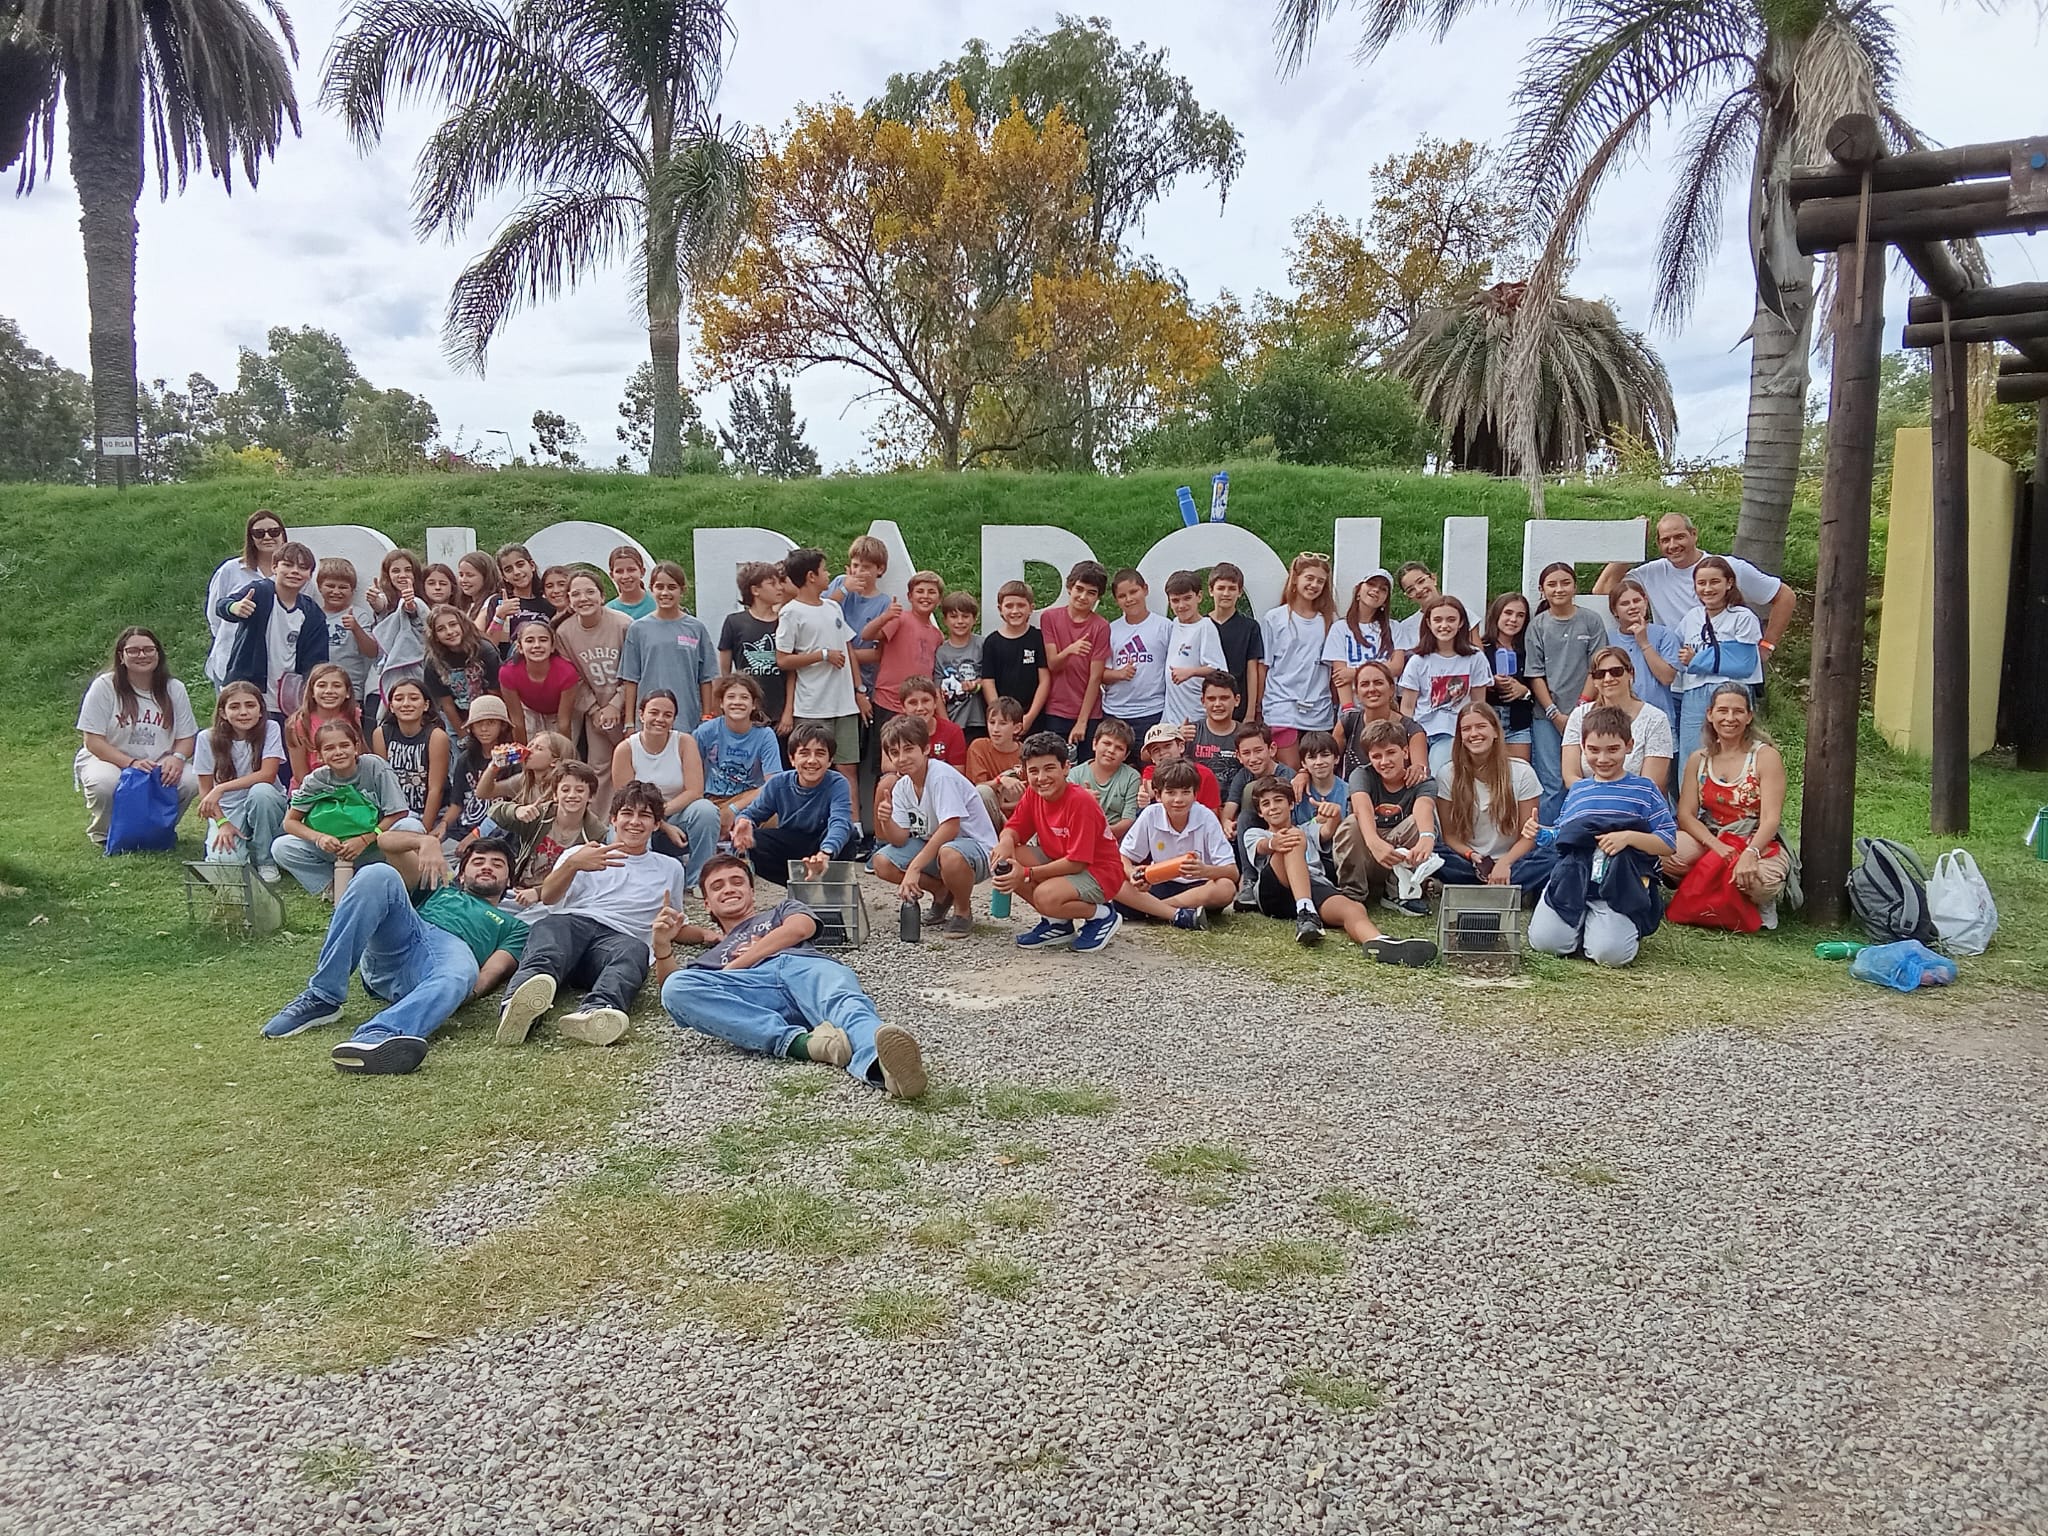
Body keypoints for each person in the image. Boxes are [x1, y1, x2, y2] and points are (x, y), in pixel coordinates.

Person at [658, 854, 928, 1097]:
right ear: (707, 904)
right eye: (718, 886)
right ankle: (805, 1045)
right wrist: (661, 947)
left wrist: (736, 965)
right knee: (676, 987)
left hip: (804, 966)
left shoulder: (782, 910)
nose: (729, 889)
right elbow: (674, 996)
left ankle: (884, 1069)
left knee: (845, 1005)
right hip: (756, 992)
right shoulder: (710, 956)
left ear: (752, 892)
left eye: (737, 881)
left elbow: (800, 928)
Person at [259, 836, 528, 1075]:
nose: (487, 867)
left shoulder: (514, 925)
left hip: (447, 959)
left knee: (462, 971)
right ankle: (323, 996)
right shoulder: (439, 889)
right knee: (377, 873)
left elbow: (491, 972)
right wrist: (426, 842)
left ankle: (379, 1035)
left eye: (497, 864)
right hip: (404, 939)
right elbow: (386, 841)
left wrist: (457, 991)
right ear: (461, 874)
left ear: (509, 880)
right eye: (478, 861)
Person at [497, 780, 692, 1047]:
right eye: (627, 813)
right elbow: (550, 897)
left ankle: (598, 1013)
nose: (634, 822)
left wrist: (705, 934)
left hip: (618, 941)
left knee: (635, 951)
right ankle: (518, 1006)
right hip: (573, 928)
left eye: (644, 816)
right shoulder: (580, 852)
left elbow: (675, 922)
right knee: (551, 928)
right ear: (613, 819)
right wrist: (573, 866)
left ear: (656, 824)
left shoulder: (670, 868)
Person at [1529, 706, 1676, 968]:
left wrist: (1628, 838)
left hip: (1620, 882)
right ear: (1583, 749)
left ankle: (1608, 925)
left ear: (1629, 746)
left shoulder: (1645, 789)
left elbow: (1667, 842)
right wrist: (1541, 833)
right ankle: (1580, 922)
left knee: (1611, 956)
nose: (1603, 759)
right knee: (1546, 943)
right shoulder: (1579, 790)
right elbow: (1563, 833)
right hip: (1574, 878)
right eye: (1594, 750)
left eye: (1613, 749)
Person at [1239, 774, 1437, 963]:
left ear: (1291, 804)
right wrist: (1274, 844)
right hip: (1274, 890)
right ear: (1260, 812)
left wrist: (1333, 815)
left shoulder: (1307, 829)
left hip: (1312, 884)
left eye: (1278, 800)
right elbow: (1261, 846)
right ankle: (1305, 912)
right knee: (1292, 837)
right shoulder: (1254, 833)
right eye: (1266, 804)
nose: (1273, 807)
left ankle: (1378, 942)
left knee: (1353, 908)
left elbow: (1327, 831)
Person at [1662, 682, 1792, 924]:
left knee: (1759, 878)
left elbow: (1770, 819)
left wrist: (1751, 852)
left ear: (1749, 716)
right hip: (1713, 834)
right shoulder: (1698, 759)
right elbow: (1686, 815)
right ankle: (1707, 889)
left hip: (1756, 838)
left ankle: (1758, 900)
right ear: (1710, 714)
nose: (1729, 718)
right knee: (1663, 852)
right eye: (1722, 711)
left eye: (1738, 711)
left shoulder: (1765, 757)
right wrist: (1715, 845)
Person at [990, 732, 1128, 953]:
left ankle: (1101, 915)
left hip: (1100, 872)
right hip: (1063, 861)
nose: (1041, 777)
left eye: (1049, 768)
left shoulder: (1080, 802)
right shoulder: (1034, 794)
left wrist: (1026, 874)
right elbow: (1015, 828)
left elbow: (1077, 863)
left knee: (1044, 895)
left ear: (1066, 768)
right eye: (1033, 771)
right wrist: (1005, 841)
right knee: (1007, 858)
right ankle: (1058, 924)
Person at [1594, 511, 1794, 656]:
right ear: (1658, 544)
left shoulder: (1728, 567)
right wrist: (1631, 541)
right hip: (1674, 675)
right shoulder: (1651, 573)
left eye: (1679, 537)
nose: (1673, 545)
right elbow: (1603, 590)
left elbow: (1784, 596)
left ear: (1694, 534)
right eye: (1666, 540)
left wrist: (1767, 646)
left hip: (1726, 674)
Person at [871, 713, 998, 938]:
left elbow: (950, 827)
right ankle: (942, 892)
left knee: (949, 853)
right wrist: (886, 819)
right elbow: (899, 838)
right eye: (895, 752)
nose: (902, 758)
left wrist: (914, 868)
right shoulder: (902, 787)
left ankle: (963, 911)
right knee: (881, 861)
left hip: (975, 849)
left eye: (909, 749)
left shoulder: (940, 776)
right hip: (937, 846)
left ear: (926, 749)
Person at [75, 626, 199, 845]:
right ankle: (105, 833)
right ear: (121, 656)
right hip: (110, 757)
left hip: (158, 759)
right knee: (105, 783)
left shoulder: (174, 688)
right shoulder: (105, 686)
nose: (142, 655)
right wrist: (130, 762)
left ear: (158, 654)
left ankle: (158, 829)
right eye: (133, 650)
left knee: (189, 781)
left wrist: (177, 758)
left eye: (149, 649)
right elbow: (93, 740)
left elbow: (187, 737)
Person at [273, 720, 423, 898]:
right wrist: (319, 838)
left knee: (410, 826)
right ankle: (336, 888)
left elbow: (398, 812)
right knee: (281, 847)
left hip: (377, 844)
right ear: (319, 755)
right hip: (337, 849)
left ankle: (406, 886)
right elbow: (290, 822)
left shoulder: (374, 766)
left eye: (344, 745)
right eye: (329, 748)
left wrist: (364, 840)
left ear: (356, 747)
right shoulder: (315, 780)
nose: (338, 753)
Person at [775, 547, 867, 804]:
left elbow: (848, 648)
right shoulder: (790, 612)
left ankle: (854, 829)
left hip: (845, 705)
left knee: (848, 768)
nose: (829, 575)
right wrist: (822, 655)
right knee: (812, 769)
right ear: (811, 576)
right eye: (825, 570)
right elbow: (782, 659)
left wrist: (860, 692)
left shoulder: (832, 607)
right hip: (813, 707)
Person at [1433, 702, 1553, 895]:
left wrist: (1504, 863)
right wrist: (1472, 855)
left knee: (1551, 856)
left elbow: (1528, 836)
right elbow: (1449, 836)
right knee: (1434, 853)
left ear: (1496, 732)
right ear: (1460, 737)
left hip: (1512, 860)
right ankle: (1504, 888)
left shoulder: (1522, 772)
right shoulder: (1447, 774)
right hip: (1470, 860)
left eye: (1481, 726)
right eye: (1466, 729)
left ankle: (1477, 887)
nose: (1474, 734)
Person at [610, 688, 723, 889]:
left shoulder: (684, 742)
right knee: (625, 827)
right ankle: (641, 882)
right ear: (641, 714)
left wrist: (659, 816)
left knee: (706, 810)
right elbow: (625, 801)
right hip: (639, 814)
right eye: (654, 712)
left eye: (667, 715)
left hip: (677, 812)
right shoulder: (626, 749)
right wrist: (660, 823)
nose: (660, 719)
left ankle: (698, 880)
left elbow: (694, 790)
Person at [1525, 562, 1610, 824]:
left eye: (1565, 583)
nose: (1559, 589)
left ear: (1575, 586)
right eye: (1552, 584)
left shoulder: (1591, 621)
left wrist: (1579, 709)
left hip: (1586, 714)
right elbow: (1535, 674)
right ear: (1542, 590)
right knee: (1551, 780)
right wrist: (1554, 713)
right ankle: (1548, 841)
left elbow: (1596, 669)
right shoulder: (1537, 626)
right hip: (1547, 718)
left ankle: (1581, 831)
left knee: (1585, 775)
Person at [214, 540, 329, 721]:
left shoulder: (312, 612)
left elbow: (316, 661)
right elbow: (222, 605)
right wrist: (234, 608)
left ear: (309, 575)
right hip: (248, 692)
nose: (295, 572)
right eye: (288, 565)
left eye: (302, 567)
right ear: (275, 567)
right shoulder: (260, 591)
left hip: (287, 699)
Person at [1115, 760, 1237, 929]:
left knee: (1226, 887)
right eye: (1171, 793)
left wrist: (1205, 870)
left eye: (1185, 792)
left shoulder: (1206, 817)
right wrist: (1132, 874)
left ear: (1195, 795)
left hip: (1198, 888)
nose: (1178, 800)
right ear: (1158, 795)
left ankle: (1156, 910)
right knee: (1114, 879)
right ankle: (1177, 914)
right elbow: (1123, 856)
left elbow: (1232, 872)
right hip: (1159, 883)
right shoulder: (1151, 814)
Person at [732, 721, 856, 886]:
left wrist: (826, 852)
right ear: (792, 758)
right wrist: (744, 822)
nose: (812, 761)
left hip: (824, 843)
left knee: (848, 835)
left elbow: (840, 820)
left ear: (830, 760)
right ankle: (797, 884)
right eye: (804, 753)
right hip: (792, 841)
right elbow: (753, 813)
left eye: (820, 753)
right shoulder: (778, 783)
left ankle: (829, 884)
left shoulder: (837, 783)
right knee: (753, 840)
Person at [1335, 718, 1438, 914]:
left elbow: (1423, 807)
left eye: (1391, 753)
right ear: (1369, 758)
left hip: (1400, 856)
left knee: (1425, 823)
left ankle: (1398, 892)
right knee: (1351, 824)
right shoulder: (1362, 774)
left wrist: (1427, 836)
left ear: (1405, 752)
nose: (1384, 762)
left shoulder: (1422, 782)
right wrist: (1374, 841)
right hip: (1367, 852)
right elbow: (1361, 807)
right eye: (1376, 756)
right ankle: (1353, 893)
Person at [1672, 556, 1765, 756]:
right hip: (1693, 693)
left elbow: (1743, 663)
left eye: (1714, 582)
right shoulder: (1692, 617)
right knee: (1692, 757)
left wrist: (1697, 660)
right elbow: (1677, 650)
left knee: (1731, 752)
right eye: (1701, 583)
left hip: (1732, 691)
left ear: (1729, 583)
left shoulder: (1743, 617)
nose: (1708, 589)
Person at [194, 680, 286, 878]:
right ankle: (240, 848)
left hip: (266, 803)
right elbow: (205, 790)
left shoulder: (271, 728)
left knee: (261, 792)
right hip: (228, 808)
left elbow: (267, 775)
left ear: (261, 710)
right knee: (226, 867)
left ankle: (265, 859)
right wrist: (221, 823)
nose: (243, 712)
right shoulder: (206, 738)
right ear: (223, 713)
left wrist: (220, 788)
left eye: (250, 705)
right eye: (234, 707)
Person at [556, 570, 632, 803]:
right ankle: (600, 823)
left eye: (590, 592)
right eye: (576, 594)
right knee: (599, 767)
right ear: (569, 600)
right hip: (594, 711)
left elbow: (634, 670)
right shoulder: (564, 633)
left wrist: (616, 705)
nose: (584, 598)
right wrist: (595, 710)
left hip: (628, 706)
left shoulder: (624, 624)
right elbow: (572, 679)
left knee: (632, 761)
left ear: (602, 595)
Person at [490, 759, 608, 908]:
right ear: (555, 795)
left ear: (591, 796)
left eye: (580, 790)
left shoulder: (595, 833)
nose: (572, 795)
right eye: (565, 790)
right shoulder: (541, 816)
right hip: (517, 890)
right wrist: (516, 811)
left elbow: (583, 880)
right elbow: (494, 811)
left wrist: (538, 892)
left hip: (559, 899)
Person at [1398, 595, 1492, 779]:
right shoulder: (1418, 661)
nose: (1444, 625)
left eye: (1451, 619)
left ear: (1461, 623)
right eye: (1438, 620)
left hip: (1454, 732)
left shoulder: (1475, 658)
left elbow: (1479, 704)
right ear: (1428, 623)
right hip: (1420, 732)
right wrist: (1407, 739)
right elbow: (1408, 707)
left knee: (1439, 775)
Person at [1259, 552, 1338, 766]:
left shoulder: (1330, 621)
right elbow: (1263, 667)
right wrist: (1257, 708)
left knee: (1318, 772)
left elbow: (1333, 671)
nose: (1314, 585)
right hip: (1281, 708)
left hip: (1319, 711)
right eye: (1309, 578)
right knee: (1289, 775)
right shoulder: (1274, 618)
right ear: (1295, 578)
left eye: (1320, 581)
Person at [1562, 647, 1675, 791]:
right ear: (1594, 680)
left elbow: (1652, 783)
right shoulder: (1579, 716)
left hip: (1637, 805)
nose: (1608, 679)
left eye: (1616, 672)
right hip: (1588, 802)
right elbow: (1570, 777)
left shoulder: (1656, 719)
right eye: (1600, 674)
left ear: (1631, 673)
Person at [618, 560, 717, 725]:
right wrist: (629, 722)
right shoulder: (638, 629)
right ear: (651, 589)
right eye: (659, 587)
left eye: (671, 587)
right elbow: (630, 679)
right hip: (649, 720)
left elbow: (706, 678)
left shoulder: (696, 628)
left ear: (682, 590)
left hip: (687, 719)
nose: (665, 593)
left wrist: (706, 717)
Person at [717, 561, 792, 755]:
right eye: (772, 583)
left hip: (779, 712)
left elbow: (792, 671)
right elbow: (723, 672)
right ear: (755, 590)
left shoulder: (785, 621)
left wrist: (787, 713)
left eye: (780, 582)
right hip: (746, 711)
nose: (779, 588)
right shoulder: (734, 622)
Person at [696, 673, 784, 834]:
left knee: (775, 815)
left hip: (751, 799)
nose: (737, 702)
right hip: (713, 799)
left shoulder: (765, 735)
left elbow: (774, 784)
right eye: (731, 697)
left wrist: (734, 809)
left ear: (754, 704)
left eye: (744, 697)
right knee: (703, 815)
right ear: (721, 703)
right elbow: (691, 775)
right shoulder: (705, 732)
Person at [1038, 560, 1111, 754]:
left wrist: (1082, 721)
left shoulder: (1100, 626)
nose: (1083, 596)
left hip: (1089, 712)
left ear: (1098, 597)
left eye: (1091, 592)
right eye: (1079, 589)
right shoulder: (1050, 618)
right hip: (1057, 709)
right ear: (1069, 587)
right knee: (1055, 764)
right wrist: (1070, 650)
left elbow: (1096, 676)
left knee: (1086, 768)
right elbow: (1053, 664)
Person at [204, 510, 289, 676]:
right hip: (231, 659)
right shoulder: (230, 569)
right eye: (259, 533)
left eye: (274, 531)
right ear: (251, 538)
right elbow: (214, 613)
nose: (267, 537)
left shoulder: (294, 573)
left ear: (283, 534)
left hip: (276, 662)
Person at [372, 678, 449, 836]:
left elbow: (436, 789)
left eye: (414, 698)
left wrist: (424, 832)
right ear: (391, 707)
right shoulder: (381, 734)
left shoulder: (436, 736)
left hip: (427, 815)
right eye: (399, 699)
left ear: (426, 705)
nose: (406, 704)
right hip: (394, 814)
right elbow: (382, 784)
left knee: (411, 828)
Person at [1605, 576, 1682, 730]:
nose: (1632, 607)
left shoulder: (1664, 635)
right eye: (1624, 604)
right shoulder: (1607, 638)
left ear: (1645, 602)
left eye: (1637, 601)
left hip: (1658, 717)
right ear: (1615, 610)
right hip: (1617, 720)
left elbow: (1667, 678)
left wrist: (1644, 642)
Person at [871, 570, 945, 728]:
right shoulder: (900, 619)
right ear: (910, 596)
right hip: (888, 702)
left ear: (939, 599)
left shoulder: (937, 636)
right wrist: (885, 617)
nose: (925, 596)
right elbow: (868, 635)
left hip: (919, 708)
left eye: (932, 592)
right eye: (920, 591)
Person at [366, 549, 429, 733]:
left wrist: (410, 603)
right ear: (387, 574)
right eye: (396, 571)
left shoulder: (420, 601)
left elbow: (414, 611)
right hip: (380, 682)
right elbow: (381, 605)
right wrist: (375, 603)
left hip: (417, 679)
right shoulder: (384, 599)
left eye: (407, 570)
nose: (402, 575)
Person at [1334, 660, 1427, 782]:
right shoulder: (1347, 723)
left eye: (1378, 683)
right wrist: (1304, 773)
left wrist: (1418, 770)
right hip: (1352, 797)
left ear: (1392, 689)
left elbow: (1421, 771)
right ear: (1356, 693)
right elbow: (1324, 758)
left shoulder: (1412, 730)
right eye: (1365, 684)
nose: (1372, 689)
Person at [441, 694, 514, 845]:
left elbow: (511, 811)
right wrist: (443, 824)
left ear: (503, 726)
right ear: (471, 728)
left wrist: (477, 835)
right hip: (461, 830)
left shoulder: (514, 761)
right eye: (478, 723)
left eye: (491, 723)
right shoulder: (465, 759)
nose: (484, 729)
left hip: (498, 837)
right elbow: (456, 804)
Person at [497, 618, 583, 742]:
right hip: (529, 710)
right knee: (534, 749)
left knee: (556, 748)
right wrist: (523, 756)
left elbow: (564, 722)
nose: (537, 645)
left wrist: (564, 758)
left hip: (559, 712)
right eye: (529, 640)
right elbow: (517, 721)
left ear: (553, 647)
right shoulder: (508, 672)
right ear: (520, 647)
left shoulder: (567, 672)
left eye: (543, 640)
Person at [981, 580, 1050, 735]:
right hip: (1003, 721)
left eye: (1020, 605)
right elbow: (988, 681)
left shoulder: (1038, 638)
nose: (1015, 611)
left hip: (1033, 718)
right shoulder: (991, 642)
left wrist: (1030, 716)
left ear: (1031, 608)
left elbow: (1045, 680)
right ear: (1000, 609)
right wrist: (999, 717)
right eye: (1009, 606)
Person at [422, 604, 502, 738]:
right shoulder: (433, 661)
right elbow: (447, 704)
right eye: (441, 629)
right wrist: (463, 734)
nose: (449, 631)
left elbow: (496, 692)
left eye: (453, 624)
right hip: (457, 718)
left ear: (462, 625)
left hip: (490, 713)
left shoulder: (484, 650)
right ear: (435, 636)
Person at [1323, 569, 1399, 708]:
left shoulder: (1394, 628)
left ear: (1385, 601)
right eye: (1371, 584)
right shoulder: (1340, 628)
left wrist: (1355, 672)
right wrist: (1348, 710)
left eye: (1383, 589)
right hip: (1353, 707)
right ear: (1358, 591)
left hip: (1386, 707)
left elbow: (1396, 667)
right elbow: (1341, 676)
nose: (1376, 590)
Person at [1160, 570, 1225, 730]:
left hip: (1196, 715)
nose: (1181, 605)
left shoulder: (1206, 626)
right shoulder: (1173, 625)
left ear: (1199, 596)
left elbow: (1219, 670)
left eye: (1187, 598)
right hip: (1171, 715)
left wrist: (1190, 672)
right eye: (1175, 600)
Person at [314, 557, 381, 712]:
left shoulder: (359, 615)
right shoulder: (312, 615)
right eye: (330, 586)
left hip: (351, 694)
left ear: (352, 590)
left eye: (343, 587)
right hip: (318, 692)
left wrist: (356, 628)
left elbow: (372, 652)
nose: (336, 591)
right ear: (319, 587)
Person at [283, 662, 364, 783]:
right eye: (322, 685)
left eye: (337, 686)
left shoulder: (353, 716)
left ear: (347, 693)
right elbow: (300, 775)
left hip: (350, 786)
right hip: (312, 790)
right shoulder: (299, 724)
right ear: (312, 692)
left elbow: (359, 758)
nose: (329, 691)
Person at [1205, 562, 1264, 721]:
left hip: (1239, 705)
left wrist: (1251, 712)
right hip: (1207, 705)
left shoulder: (1250, 627)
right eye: (1221, 588)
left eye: (1232, 588)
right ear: (1211, 590)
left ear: (1239, 592)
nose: (1226, 593)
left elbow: (1252, 670)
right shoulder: (1201, 625)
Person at [1067, 717, 1141, 841]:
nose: (1111, 750)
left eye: (1119, 748)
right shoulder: (1075, 774)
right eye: (1107, 743)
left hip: (1114, 840)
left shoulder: (1132, 777)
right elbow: (1064, 813)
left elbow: (1128, 820)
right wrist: (1082, 800)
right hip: (1078, 837)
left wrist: (1101, 833)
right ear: (1094, 744)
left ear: (1126, 755)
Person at [1481, 593, 1535, 762]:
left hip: (1518, 723)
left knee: (1520, 773)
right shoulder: (1482, 648)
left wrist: (1524, 691)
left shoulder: (1528, 650)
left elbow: (1539, 685)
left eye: (1520, 615)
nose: (1513, 619)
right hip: (1488, 722)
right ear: (1497, 614)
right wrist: (1491, 682)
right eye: (1508, 613)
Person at [1291, 730, 1349, 879]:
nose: (1319, 762)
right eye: (1312, 757)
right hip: (1306, 857)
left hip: (1339, 857)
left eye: (1325, 755)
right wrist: (1315, 822)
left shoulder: (1349, 792)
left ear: (1336, 758)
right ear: (1303, 763)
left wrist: (1333, 820)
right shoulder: (1296, 792)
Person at [933, 589, 988, 739]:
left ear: (974, 619)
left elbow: (991, 678)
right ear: (945, 620)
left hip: (981, 721)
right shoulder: (941, 652)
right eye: (953, 616)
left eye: (965, 616)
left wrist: (976, 685)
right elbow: (937, 691)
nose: (960, 621)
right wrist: (946, 723)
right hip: (954, 719)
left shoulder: (983, 645)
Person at [1186, 671, 1246, 804]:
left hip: (1235, 806)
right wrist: (1176, 739)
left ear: (1237, 700)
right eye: (1211, 699)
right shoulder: (1190, 732)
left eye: (1224, 698)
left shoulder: (1246, 735)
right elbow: (1150, 756)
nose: (1217, 704)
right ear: (1203, 701)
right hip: (1197, 805)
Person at [1136, 723, 1220, 814]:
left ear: (1181, 747)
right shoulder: (1150, 771)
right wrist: (1144, 795)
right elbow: (1148, 788)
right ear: (1151, 757)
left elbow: (1212, 813)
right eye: (1156, 750)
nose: (1162, 752)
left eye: (1167, 746)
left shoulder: (1204, 773)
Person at [896, 675, 969, 767]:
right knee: (889, 779)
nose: (920, 708)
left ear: (935, 703)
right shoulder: (896, 729)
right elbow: (886, 765)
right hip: (905, 776)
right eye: (913, 703)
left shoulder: (953, 731)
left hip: (942, 779)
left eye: (925, 701)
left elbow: (958, 773)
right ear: (903, 707)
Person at [1390, 562, 1440, 652]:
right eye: (1411, 590)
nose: (1419, 590)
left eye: (1421, 581)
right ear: (1408, 597)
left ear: (1433, 578)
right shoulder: (1405, 628)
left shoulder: (1460, 614)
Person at [454, 550, 502, 633]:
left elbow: (476, 635)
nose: (463, 580)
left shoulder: (493, 602)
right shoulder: (468, 605)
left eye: (470, 575)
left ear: (486, 577)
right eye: (461, 575)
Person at [608, 545, 657, 620]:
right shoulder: (609, 611)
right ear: (612, 575)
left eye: (631, 570)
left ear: (642, 572)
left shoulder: (658, 602)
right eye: (619, 571)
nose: (625, 576)